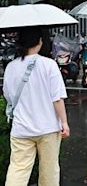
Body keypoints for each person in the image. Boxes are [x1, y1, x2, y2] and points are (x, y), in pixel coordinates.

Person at [3, 27, 70, 186]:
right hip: (48, 127)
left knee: (18, 169)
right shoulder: (49, 65)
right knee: (49, 169)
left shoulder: (11, 67)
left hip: (21, 128)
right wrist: (64, 122)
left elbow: (8, 96)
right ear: (40, 41)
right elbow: (57, 98)